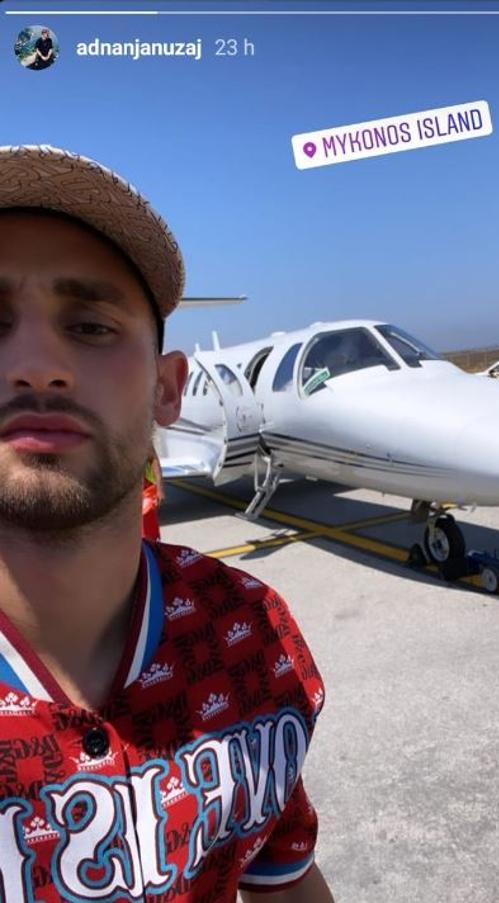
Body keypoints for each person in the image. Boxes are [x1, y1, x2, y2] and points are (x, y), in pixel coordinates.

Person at [0, 145, 334, 902]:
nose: (37, 365)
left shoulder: (254, 637)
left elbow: (283, 875)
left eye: (89, 325)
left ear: (166, 387)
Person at [142, 444, 163, 540]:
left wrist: (159, 488)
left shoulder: (140, 435)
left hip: (145, 492)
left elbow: (153, 459)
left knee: (148, 531)